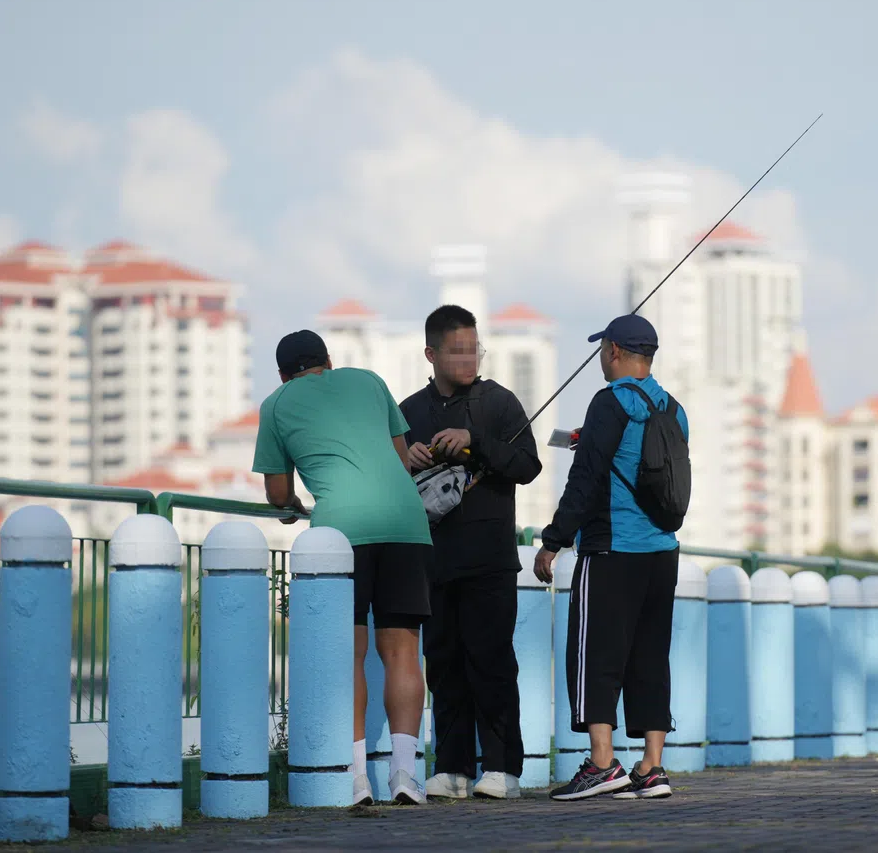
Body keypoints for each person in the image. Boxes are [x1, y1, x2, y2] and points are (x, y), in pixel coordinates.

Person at [252, 329, 432, 807]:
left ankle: (354, 779)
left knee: (350, 656)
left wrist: (292, 503)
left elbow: (276, 494)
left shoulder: (276, 404)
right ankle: (405, 776)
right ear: (327, 361)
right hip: (404, 521)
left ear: (282, 374)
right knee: (401, 653)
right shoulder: (370, 381)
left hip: (340, 534)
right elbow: (400, 459)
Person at [533, 313, 689, 802]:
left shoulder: (608, 404)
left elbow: (586, 482)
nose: (601, 357)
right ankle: (651, 766)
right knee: (650, 656)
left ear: (616, 351)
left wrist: (553, 540)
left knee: (595, 655)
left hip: (611, 549)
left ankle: (602, 764)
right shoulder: (674, 408)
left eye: (604, 349)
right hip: (662, 552)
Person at [399, 305, 542, 800]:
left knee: (492, 661)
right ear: (431, 353)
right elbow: (390, 475)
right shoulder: (409, 411)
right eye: (457, 350)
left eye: (473, 349)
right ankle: (452, 767)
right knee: (443, 662)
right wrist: (406, 456)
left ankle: (503, 768)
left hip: (490, 559)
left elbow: (529, 465)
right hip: (433, 561)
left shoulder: (498, 403)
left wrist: (474, 442)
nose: (467, 359)